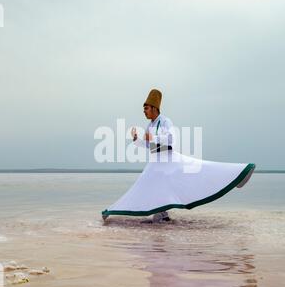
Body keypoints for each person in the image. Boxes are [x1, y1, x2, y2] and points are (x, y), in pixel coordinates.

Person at [102, 89, 256, 222]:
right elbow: (149, 145)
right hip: (156, 162)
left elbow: (170, 139)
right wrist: (138, 140)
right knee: (145, 187)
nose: (144, 111)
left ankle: (239, 173)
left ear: (155, 108)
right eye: (144, 108)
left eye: (146, 108)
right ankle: (153, 214)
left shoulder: (165, 122)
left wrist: (152, 138)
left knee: (201, 169)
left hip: (168, 159)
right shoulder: (149, 125)